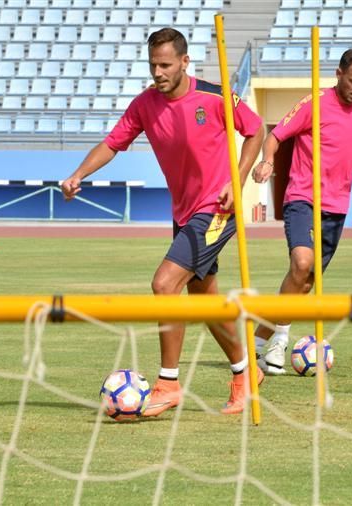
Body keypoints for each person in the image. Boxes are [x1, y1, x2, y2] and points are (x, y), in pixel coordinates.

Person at [61, 28, 265, 415]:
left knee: (164, 283)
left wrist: (236, 181)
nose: (158, 71)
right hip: (184, 212)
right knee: (203, 302)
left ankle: (168, 384)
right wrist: (78, 174)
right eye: (153, 64)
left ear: (185, 62)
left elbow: (256, 130)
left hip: (217, 210)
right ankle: (245, 372)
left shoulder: (214, 96)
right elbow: (112, 144)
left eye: (165, 64)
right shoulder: (144, 104)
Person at [251, 48, 352, 375]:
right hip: (302, 196)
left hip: (336, 208)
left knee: (305, 281)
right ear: (339, 74)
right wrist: (268, 161)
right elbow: (275, 137)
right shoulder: (314, 102)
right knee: (302, 262)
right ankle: (281, 341)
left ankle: (257, 342)